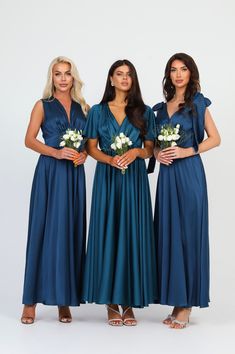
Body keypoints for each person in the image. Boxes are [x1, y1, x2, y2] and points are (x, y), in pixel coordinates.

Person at [148, 53, 221, 328]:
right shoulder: (159, 109)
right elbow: (152, 145)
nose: (179, 74)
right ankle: (176, 300)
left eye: (184, 69)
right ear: (168, 75)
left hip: (190, 175)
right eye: (173, 70)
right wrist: (157, 152)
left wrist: (188, 150)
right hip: (167, 177)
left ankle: (187, 305)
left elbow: (216, 138)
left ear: (191, 73)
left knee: (189, 235)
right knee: (169, 234)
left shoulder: (198, 104)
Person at [82, 59, 157, 326]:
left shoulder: (145, 111)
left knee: (132, 234)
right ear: (111, 79)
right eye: (119, 74)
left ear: (133, 80)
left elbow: (150, 149)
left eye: (129, 75)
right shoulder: (98, 112)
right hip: (108, 178)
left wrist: (137, 151)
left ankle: (129, 301)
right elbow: (91, 148)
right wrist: (109, 159)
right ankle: (111, 302)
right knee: (109, 233)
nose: (125, 78)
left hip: (135, 180)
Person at [21, 56, 88, 324]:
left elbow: (89, 144)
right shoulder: (42, 105)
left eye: (67, 73)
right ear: (52, 78)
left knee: (70, 232)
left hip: (74, 176)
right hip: (50, 173)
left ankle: (64, 300)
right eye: (57, 73)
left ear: (74, 78)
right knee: (42, 230)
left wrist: (83, 155)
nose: (62, 78)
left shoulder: (85, 107)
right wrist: (55, 152)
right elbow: (28, 140)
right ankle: (30, 302)